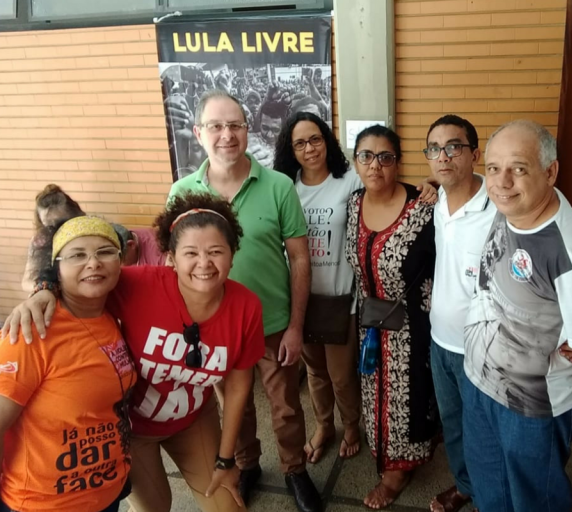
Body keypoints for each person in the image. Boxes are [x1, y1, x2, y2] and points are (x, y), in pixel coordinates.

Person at [3, 193, 266, 512]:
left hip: (194, 420)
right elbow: (84, 280)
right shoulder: (137, 284)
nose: (204, 263)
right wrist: (42, 291)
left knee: (227, 506)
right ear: (169, 257)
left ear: (232, 253)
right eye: (190, 252)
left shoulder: (246, 306)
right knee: (155, 507)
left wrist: (227, 458)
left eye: (215, 251)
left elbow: (239, 385)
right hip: (133, 428)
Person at [462, 120, 572, 511]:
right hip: (481, 384)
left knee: (532, 503)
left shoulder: (568, 249)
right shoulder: (510, 209)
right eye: (493, 168)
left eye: (518, 168)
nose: (502, 182)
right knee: (491, 493)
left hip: (531, 411)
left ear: (550, 171)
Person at [168, 89, 320, 512]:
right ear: (199, 133)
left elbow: (300, 258)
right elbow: (172, 267)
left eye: (234, 125)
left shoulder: (279, 186)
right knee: (234, 406)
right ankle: (247, 464)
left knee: (286, 407)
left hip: (273, 322)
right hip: (216, 326)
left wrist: (295, 325)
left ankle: (294, 469)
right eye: (216, 126)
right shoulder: (183, 192)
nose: (226, 135)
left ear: (247, 129)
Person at [0, 216, 134, 511]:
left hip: (106, 494)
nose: (93, 263)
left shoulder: (110, 317)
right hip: (42, 503)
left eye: (105, 252)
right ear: (56, 270)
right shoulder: (32, 330)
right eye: (77, 255)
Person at [345, 125, 439, 510]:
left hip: (413, 324)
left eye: (385, 157)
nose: (375, 165)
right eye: (366, 156)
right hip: (370, 321)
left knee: (408, 394)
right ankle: (383, 451)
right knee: (373, 390)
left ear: (398, 162)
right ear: (355, 162)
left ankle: (399, 470)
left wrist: (436, 183)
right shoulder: (354, 203)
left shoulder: (424, 204)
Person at [273, 111, 363, 464]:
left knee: (341, 376)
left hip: (341, 298)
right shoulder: (285, 187)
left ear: (326, 141)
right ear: (290, 150)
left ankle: (351, 425)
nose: (309, 148)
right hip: (301, 300)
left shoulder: (349, 181)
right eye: (300, 143)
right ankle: (325, 426)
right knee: (315, 374)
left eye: (315, 139)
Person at [422, 115, 492, 512]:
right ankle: (465, 485)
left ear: (474, 154)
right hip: (440, 339)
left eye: (453, 147)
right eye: (434, 149)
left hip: (482, 345)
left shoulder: (497, 206)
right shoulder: (437, 203)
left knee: (484, 428)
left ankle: (489, 495)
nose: (442, 156)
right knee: (453, 423)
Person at [21, 184, 85, 292]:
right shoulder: (40, 241)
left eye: (61, 223)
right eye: (49, 225)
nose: (55, 230)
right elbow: (26, 282)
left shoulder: (88, 234)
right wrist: (45, 288)